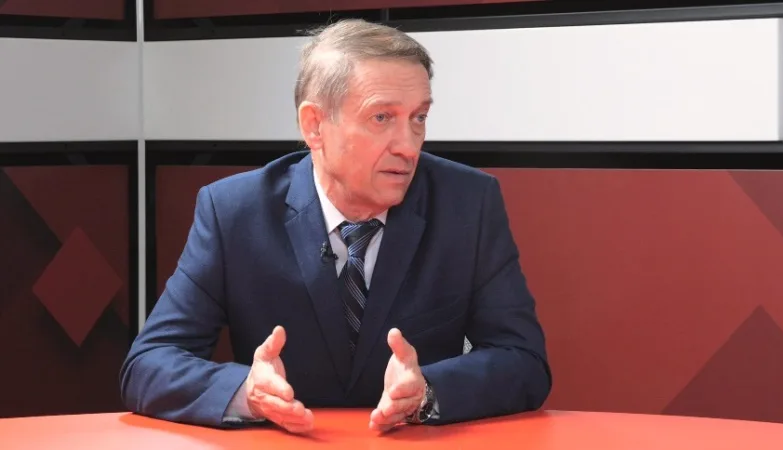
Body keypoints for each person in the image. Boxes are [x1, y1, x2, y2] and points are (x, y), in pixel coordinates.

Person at [119, 18, 551, 434]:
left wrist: (428, 391)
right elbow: (148, 364)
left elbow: (524, 360)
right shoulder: (234, 212)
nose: (408, 146)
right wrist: (246, 393)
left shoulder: (468, 204)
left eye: (418, 118)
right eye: (382, 118)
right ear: (315, 125)